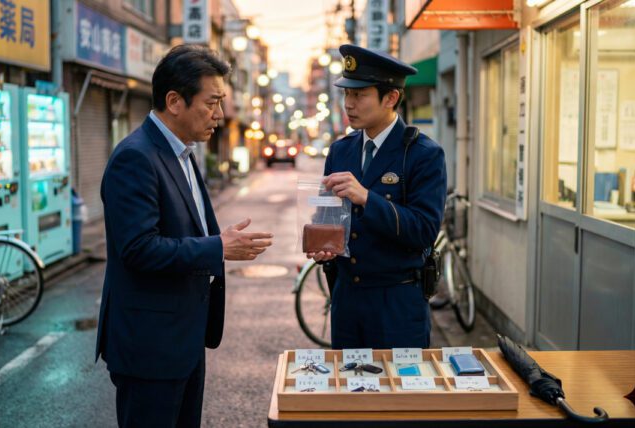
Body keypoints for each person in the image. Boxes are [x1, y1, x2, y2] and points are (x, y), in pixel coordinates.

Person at [95, 45, 273, 428]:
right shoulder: (136, 158)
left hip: (184, 339)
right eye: (212, 103)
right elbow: (139, 249)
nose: (220, 115)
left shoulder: (183, 153)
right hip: (150, 348)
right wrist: (219, 246)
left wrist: (216, 243)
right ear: (174, 101)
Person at [308, 44, 447, 350]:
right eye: (346, 94)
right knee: (348, 392)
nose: (349, 104)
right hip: (346, 301)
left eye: (359, 95)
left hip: (396, 303)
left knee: (397, 396)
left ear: (391, 98)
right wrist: (322, 245)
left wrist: (368, 198)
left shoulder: (423, 154)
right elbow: (328, 217)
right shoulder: (341, 150)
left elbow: (424, 230)